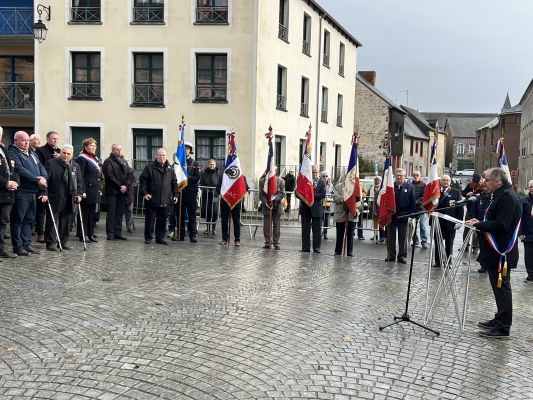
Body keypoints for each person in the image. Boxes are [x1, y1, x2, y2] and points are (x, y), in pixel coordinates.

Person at [465, 168, 521, 338]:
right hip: (495, 253)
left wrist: (479, 225)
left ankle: (503, 327)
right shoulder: (499, 196)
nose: (484, 183)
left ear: (498, 181)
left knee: (502, 288)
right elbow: (492, 220)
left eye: (487, 180)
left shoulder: (507, 198)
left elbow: (501, 225)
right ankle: (499, 319)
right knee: (498, 288)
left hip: (501, 252)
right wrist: (480, 222)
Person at [9, 131, 47, 256]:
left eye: (27, 140)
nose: (26, 142)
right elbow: (20, 169)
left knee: (29, 219)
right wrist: (37, 179)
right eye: (23, 140)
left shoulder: (32, 153)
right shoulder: (13, 152)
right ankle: (18, 246)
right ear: (16, 141)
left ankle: (27, 243)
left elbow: (41, 166)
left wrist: (44, 177)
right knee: (18, 219)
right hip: (22, 192)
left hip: (33, 191)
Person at [44, 145, 84, 251]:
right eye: (64, 153)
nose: (66, 155)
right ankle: (51, 242)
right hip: (55, 196)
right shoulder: (51, 163)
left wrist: (79, 195)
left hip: (70, 197)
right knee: (52, 221)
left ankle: (63, 241)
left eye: (68, 154)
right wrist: (45, 193)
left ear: (72, 155)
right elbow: (45, 180)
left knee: (66, 221)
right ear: (60, 153)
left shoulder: (75, 166)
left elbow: (79, 182)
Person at [139, 148, 178, 245]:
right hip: (152, 199)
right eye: (160, 155)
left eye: (163, 155)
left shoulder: (170, 169)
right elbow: (143, 181)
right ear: (156, 156)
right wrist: (144, 193)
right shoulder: (149, 167)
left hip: (165, 199)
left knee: (162, 221)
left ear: (166, 156)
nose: (162, 157)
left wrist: (175, 195)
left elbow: (174, 183)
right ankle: (148, 238)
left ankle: (160, 237)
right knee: (150, 220)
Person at [102, 144, 133, 241]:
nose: (119, 151)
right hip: (112, 191)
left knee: (120, 213)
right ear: (113, 150)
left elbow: (129, 174)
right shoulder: (108, 161)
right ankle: (110, 234)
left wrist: (126, 186)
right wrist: (120, 186)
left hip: (122, 192)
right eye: (117, 149)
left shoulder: (124, 161)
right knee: (111, 213)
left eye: (120, 149)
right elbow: (109, 176)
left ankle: (117, 233)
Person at [385, 168, 416, 264]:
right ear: (394, 176)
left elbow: (413, 203)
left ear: (404, 177)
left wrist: (411, 215)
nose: (399, 177)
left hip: (404, 216)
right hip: (392, 216)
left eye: (401, 175)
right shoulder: (390, 186)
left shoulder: (410, 187)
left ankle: (402, 256)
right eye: (397, 175)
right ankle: (391, 256)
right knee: (391, 238)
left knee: (403, 238)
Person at [34, 131, 60, 243]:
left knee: (54, 210)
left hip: (57, 184)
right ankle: (40, 233)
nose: (55, 140)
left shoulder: (60, 152)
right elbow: (40, 166)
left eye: (57, 139)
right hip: (44, 181)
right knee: (42, 210)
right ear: (47, 139)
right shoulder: (40, 150)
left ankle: (52, 232)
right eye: (53, 138)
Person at [432, 175, 463, 267]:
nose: (446, 182)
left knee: (449, 244)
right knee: (438, 242)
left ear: (450, 182)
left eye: (447, 180)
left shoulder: (456, 192)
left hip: (450, 223)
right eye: (443, 180)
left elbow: (459, 208)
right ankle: (438, 261)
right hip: (438, 222)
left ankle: (448, 261)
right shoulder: (435, 192)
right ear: (440, 182)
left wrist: (459, 221)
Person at [75, 138, 101, 242]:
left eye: (95, 146)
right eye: (91, 146)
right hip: (86, 190)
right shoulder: (82, 158)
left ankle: (90, 233)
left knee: (91, 214)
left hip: (94, 190)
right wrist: (81, 191)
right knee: (84, 214)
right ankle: (82, 234)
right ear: (85, 147)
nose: (93, 148)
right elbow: (79, 176)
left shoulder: (94, 158)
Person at [0, 127, 19, 258]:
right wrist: (5, 182)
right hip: (2, 189)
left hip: (7, 194)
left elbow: (12, 169)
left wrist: (14, 181)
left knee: (3, 223)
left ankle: (1, 250)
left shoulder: (3, 150)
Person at [177, 141, 201, 242]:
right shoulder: (178, 162)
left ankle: (193, 235)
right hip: (180, 192)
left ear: (190, 151)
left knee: (192, 215)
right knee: (180, 215)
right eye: (184, 149)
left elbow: (197, 178)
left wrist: (186, 178)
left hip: (191, 193)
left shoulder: (195, 163)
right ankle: (180, 235)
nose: (186, 150)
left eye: (187, 149)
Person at [300, 165, 326, 253]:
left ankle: (317, 248)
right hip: (306, 209)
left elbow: (322, 195)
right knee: (305, 230)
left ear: (318, 173)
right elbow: (298, 193)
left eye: (316, 172)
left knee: (317, 231)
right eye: (313, 172)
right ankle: (305, 247)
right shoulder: (304, 181)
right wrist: (304, 195)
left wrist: (311, 196)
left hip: (317, 210)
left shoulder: (322, 182)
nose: (314, 174)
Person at [217, 175, 249, 246]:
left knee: (236, 221)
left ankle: (237, 240)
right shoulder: (223, 176)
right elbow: (218, 188)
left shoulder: (242, 177)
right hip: (225, 202)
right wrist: (226, 194)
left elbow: (246, 188)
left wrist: (237, 193)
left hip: (236, 202)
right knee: (224, 221)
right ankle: (224, 239)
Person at [259, 171, 286, 250]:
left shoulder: (281, 181)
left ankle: (276, 243)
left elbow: (282, 193)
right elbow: (261, 195)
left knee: (276, 226)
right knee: (267, 226)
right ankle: (267, 242)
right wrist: (266, 202)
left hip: (277, 207)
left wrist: (275, 198)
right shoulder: (262, 181)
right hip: (267, 207)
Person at [469, 179, 491, 273]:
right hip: (480, 226)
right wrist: (474, 219)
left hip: (490, 227)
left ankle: (490, 264)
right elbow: (473, 210)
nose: (485, 188)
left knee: (490, 246)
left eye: (487, 186)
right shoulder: (480, 198)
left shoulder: (494, 198)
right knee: (483, 246)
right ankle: (483, 265)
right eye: (484, 187)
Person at [333, 182, 358, 256]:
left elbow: (360, 201)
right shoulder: (338, 186)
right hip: (341, 214)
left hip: (352, 214)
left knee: (350, 235)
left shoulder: (356, 187)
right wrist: (346, 198)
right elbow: (336, 198)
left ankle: (349, 251)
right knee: (340, 234)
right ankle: (338, 251)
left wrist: (357, 211)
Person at [462, 173, 482, 252]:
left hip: (479, 211)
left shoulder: (483, 186)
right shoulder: (470, 185)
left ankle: (475, 247)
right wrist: (467, 194)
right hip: (470, 210)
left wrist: (479, 195)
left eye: (477, 182)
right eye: (474, 181)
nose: (476, 184)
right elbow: (463, 193)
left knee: (477, 229)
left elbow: (488, 195)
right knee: (466, 228)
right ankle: (465, 246)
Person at [200, 159, 220, 235]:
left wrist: (217, 191)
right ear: (208, 165)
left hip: (215, 195)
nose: (212, 166)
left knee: (214, 212)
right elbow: (201, 183)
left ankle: (214, 229)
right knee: (207, 211)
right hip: (206, 195)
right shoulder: (204, 173)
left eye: (213, 164)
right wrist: (205, 189)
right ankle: (208, 228)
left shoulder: (218, 174)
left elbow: (220, 184)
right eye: (210, 164)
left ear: (215, 165)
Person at [410, 170, 429, 248]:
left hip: (421, 209)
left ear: (420, 176)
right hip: (412, 209)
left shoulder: (424, 185)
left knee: (423, 226)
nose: (415, 176)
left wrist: (416, 201)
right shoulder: (409, 185)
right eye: (414, 175)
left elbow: (424, 196)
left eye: (417, 175)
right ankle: (415, 241)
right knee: (412, 227)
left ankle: (424, 241)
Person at [519, 179, 533, 283]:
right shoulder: (524, 201)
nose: (532, 189)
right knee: (529, 255)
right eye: (531, 187)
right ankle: (530, 274)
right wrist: (520, 233)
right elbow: (520, 218)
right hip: (528, 233)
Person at [368, 176, 385, 244]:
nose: (376, 181)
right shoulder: (371, 188)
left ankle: (382, 237)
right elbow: (367, 196)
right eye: (375, 179)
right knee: (375, 223)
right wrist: (369, 202)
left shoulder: (382, 188)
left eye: (378, 179)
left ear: (380, 181)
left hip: (380, 208)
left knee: (381, 222)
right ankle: (375, 235)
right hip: (373, 208)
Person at [321, 171, 333, 240]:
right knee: (320, 218)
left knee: (326, 219)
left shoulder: (330, 184)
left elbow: (331, 192)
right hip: (320, 203)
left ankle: (325, 233)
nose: (325, 177)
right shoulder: (319, 183)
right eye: (323, 176)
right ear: (321, 177)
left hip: (327, 203)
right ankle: (319, 232)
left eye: (326, 176)